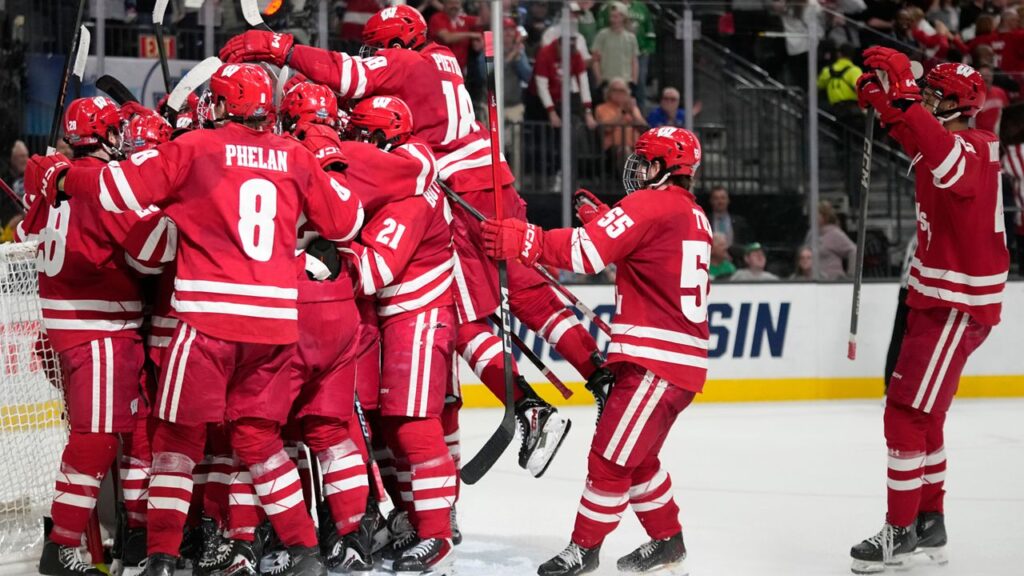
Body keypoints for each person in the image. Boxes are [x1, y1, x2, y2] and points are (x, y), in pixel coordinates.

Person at [220, 4, 594, 479]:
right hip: (493, 180)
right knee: (528, 292)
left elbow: (350, 74)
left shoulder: (405, 62)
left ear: (394, 42)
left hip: (461, 192)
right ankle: (596, 372)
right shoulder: (443, 59)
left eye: (377, 48)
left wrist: (280, 48)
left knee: (460, 317)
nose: (374, 56)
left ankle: (529, 407)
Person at [27, 63, 365, 576]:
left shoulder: (196, 149)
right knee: (257, 439)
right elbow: (346, 220)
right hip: (274, 325)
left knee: (178, 442)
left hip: (208, 323)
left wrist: (63, 174)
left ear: (224, 107)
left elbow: (119, 191)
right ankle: (304, 552)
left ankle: (162, 557)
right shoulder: (295, 156)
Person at [482, 127, 709, 576]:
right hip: (670, 362)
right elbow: (651, 255)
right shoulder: (691, 212)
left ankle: (583, 550)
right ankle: (668, 540)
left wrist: (526, 240)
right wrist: (610, 222)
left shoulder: (648, 204)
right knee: (637, 457)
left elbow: (586, 256)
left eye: (645, 161)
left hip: (654, 363)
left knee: (607, 458)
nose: (639, 168)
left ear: (663, 168)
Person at [852, 52, 1008, 573]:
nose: (930, 102)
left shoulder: (976, 147)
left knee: (905, 412)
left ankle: (900, 533)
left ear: (959, 104)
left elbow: (944, 159)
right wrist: (887, 104)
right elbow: (917, 137)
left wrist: (902, 92)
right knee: (927, 415)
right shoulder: (949, 141)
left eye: (938, 96)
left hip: (956, 303)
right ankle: (929, 522)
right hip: (938, 299)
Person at [20, 97, 149, 576]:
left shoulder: (49, 179)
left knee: (117, 435)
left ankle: (123, 538)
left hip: (64, 331)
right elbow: (152, 254)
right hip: (100, 332)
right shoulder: (101, 187)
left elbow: (25, 233)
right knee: (96, 441)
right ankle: (63, 544)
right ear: (110, 136)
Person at [594, 77, 647, 176]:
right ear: (609, 92)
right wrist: (622, 112)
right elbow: (607, 128)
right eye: (615, 90)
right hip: (614, 149)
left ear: (627, 93)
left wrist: (633, 112)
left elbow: (644, 128)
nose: (618, 93)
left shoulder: (632, 109)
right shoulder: (602, 108)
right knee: (625, 151)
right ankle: (631, 181)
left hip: (635, 147)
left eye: (622, 90)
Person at [591, 2, 639, 101]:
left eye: (616, 16)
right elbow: (595, 60)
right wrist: (599, 80)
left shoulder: (631, 38)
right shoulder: (602, 35)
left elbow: (634, 61)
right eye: (612, 16)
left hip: (625, 82)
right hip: (607, 81)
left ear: (623, 17)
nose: (613, 19)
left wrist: (634, 81)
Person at [804, 200, 856, 280]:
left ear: (825, 216)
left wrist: (850, 276)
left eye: (816, 214)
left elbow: (853, 251)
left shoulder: (835, 233)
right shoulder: (811, 234)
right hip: (812, 281)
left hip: (832, 282)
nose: (812, 217)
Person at [428, 0, 482, 75]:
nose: (454, 6)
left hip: (459, 72)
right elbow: (447, 38)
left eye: (457, 3)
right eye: (451, 3)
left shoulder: (464, 20)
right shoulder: (437, 18)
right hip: (439, 70)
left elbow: (484, 20)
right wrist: (471, 34)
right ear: (444, 4)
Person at [817, 43, 863, 125]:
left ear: (839, 54)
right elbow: (859, 89)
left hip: (834, 110)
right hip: (852, 111)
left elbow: (818, 86)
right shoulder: (855, 70)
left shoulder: (827, 71)